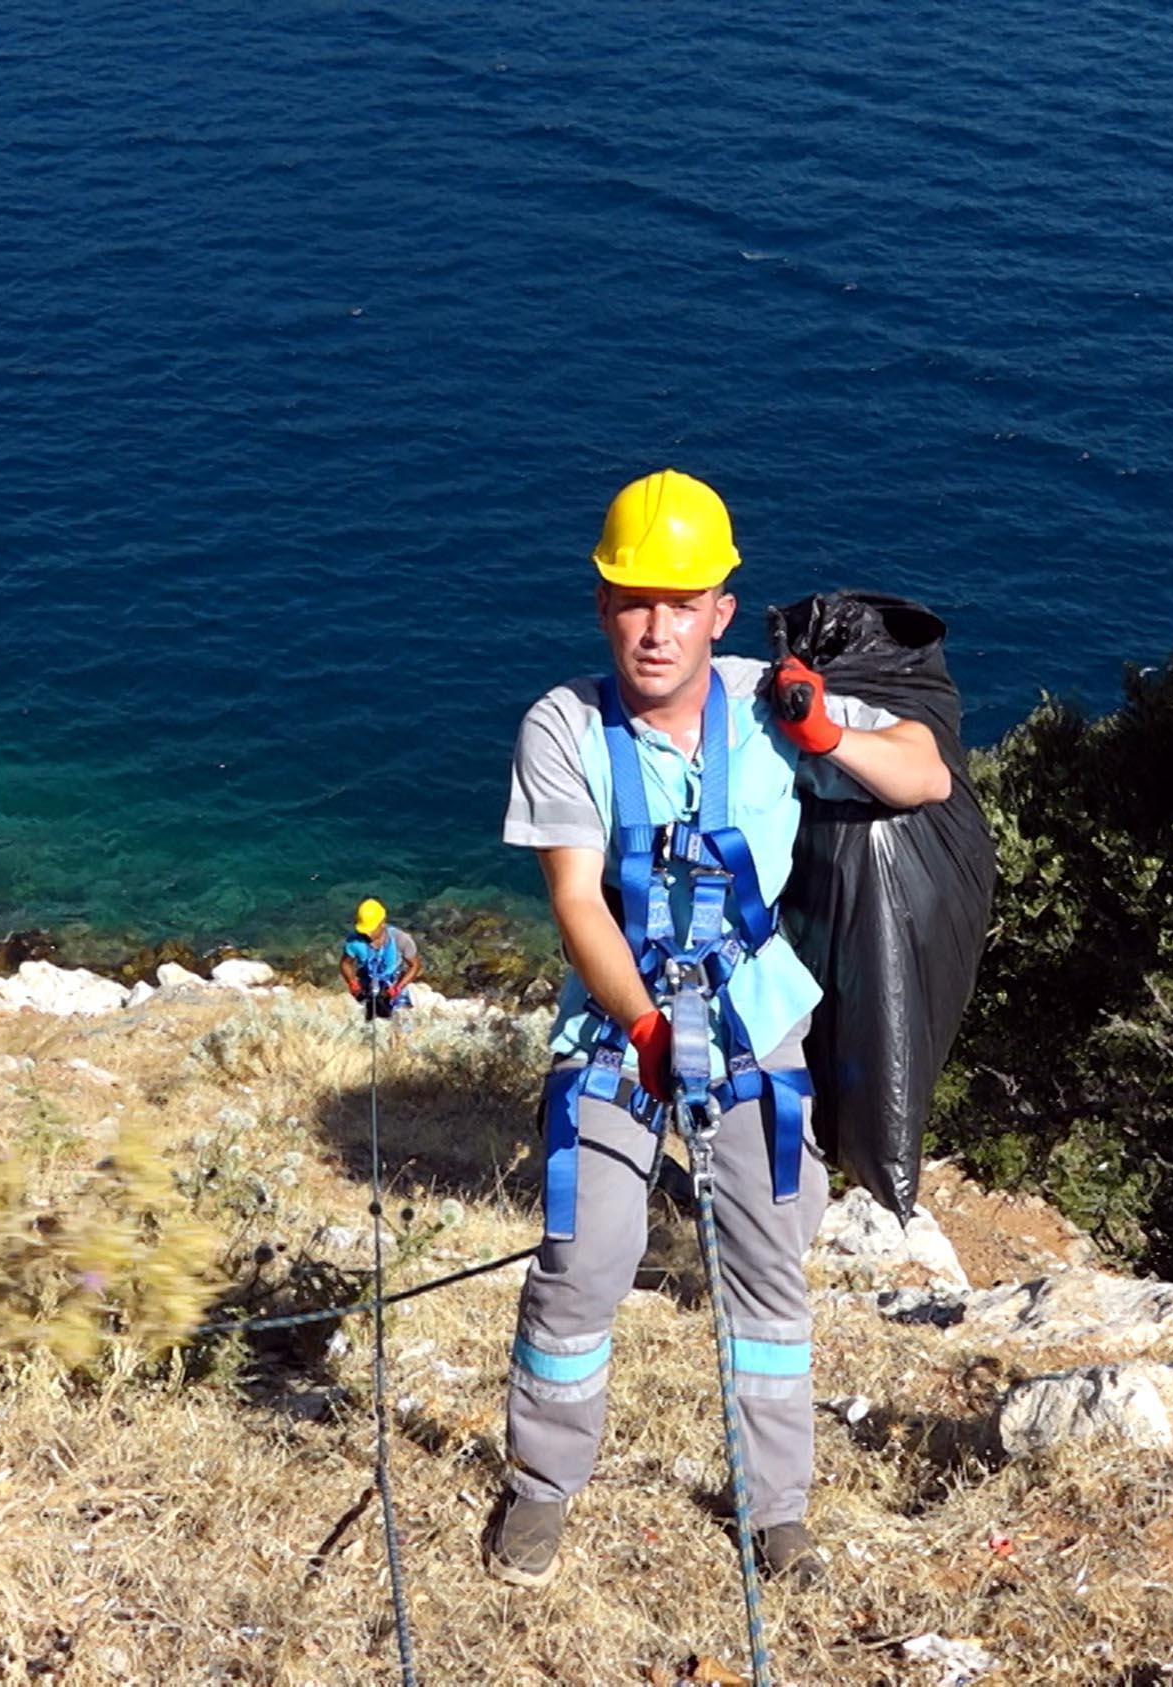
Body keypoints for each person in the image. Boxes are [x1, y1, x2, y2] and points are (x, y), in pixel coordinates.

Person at [486, 468, 951, 1591]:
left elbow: (925, 776)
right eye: (635, 601)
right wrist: (646, 1027)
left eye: (682, 603)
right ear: (603, 606)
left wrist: (823, 730)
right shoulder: (563, 727)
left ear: (721, 612)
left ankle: (775, 1509)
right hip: (617, 1030)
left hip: (757, 1021)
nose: (657, 629)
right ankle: (541, 1486)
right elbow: (579, 902)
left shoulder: (765, 703)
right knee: (584, 1256)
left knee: (767, 1267)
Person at [341, 898, 422, 1018]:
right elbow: (346, 963)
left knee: (401, 1017)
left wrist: (398, 987)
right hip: (367, 982)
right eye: (364, 930)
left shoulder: (400, 939)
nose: (367, 934)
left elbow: (414, 965)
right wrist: (353, 983)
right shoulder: (354, 942)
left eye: (371, 929)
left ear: (383, 923)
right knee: (363, 1017)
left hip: (393, 983)